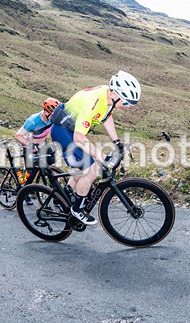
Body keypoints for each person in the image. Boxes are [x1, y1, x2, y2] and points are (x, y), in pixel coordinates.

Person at [49, 70, 140, 225]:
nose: (128, 107)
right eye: (126, 103)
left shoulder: (107, 97)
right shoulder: (94, 102)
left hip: (72, 129)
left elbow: (106, 117)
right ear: (115, 94)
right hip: (63, 130)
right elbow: (79, 138)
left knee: (81, 167)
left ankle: (66, 194)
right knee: (92, 170)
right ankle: (77, 210)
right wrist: (103, 158)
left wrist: (117, 142)